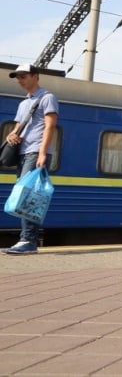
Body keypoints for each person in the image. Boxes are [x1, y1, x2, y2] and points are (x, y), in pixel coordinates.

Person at [2, 63, 59, 255]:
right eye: (18, 77)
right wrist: (11, 135)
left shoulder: (47, 97)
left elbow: (50, 126)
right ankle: (27, 239)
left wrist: (43, 153)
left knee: (28, 195)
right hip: (23, 152)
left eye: (23, 76)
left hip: (36, 151)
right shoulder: (23, 103)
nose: (20, 80)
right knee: (24, 194)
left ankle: (28, 240)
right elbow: (18, 127)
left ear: (36, 76)